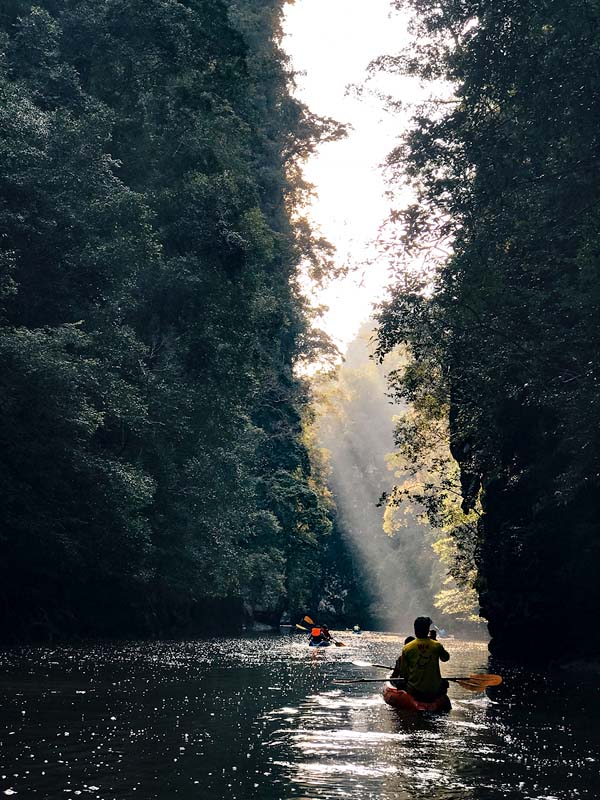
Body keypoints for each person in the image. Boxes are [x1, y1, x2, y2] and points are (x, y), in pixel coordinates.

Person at [391, 617, 450, 700]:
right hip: (434, 690)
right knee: (445, 683)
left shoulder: (407, 648)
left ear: (415, 630)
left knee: (400, 683)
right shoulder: (437, 645)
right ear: (427, 630)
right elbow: (445, 658)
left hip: (414, 691)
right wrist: (435, 640)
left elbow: (404, 673)